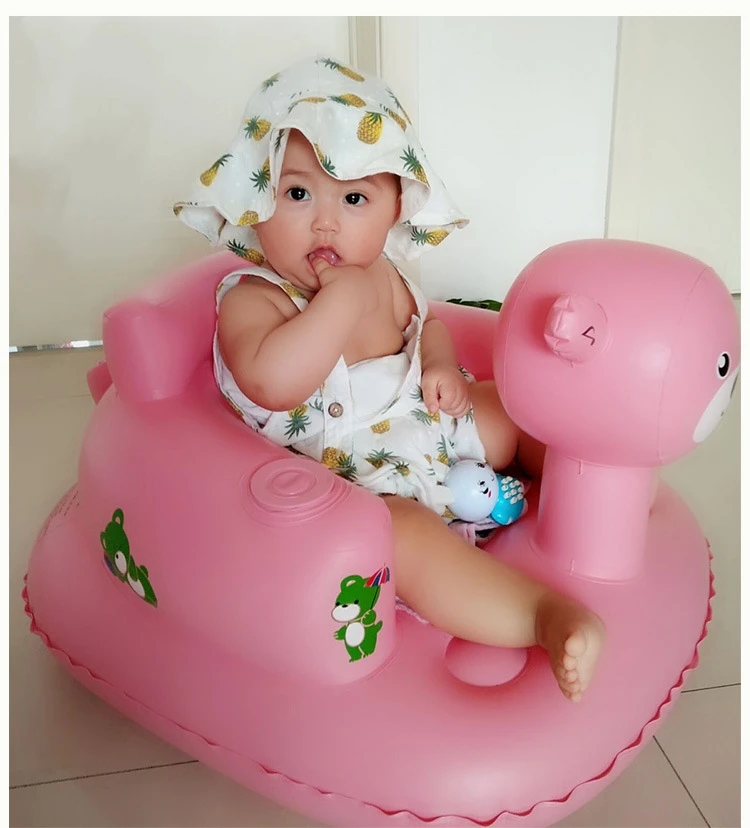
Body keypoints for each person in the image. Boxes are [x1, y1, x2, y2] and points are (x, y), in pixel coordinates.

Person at [175, 56, 604, 702]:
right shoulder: (252, 296)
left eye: (354, 199)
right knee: (400, 537)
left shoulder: (387, 274)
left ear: (395, 209)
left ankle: (587, 481)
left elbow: (427, 326)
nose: (325, 222)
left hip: (434, 430)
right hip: (361, 482)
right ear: (256, 200)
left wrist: (440, 365)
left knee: (510, 411)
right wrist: (337, 304)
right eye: (297, 194)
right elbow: (271, 382)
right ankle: (542, 616)